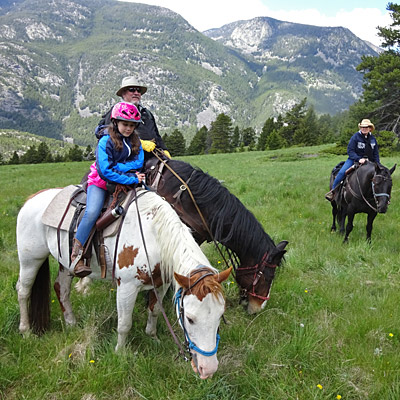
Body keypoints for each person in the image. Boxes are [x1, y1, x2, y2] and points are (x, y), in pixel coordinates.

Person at [71, 102, 145, 277]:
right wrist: (132, 177)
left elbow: (139, 162)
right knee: (92, 212)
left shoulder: (135, 141)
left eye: (132, 125)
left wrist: (117, 167)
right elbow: (105, 172)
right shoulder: (105, 141)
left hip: (124, 181)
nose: (128, 128)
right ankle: (77, 253)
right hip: (100, 183)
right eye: (125, 124)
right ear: (115, 122)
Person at [97, 76, 170, 161]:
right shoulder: (115, 112)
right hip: (131, 158)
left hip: (154, 156)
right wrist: (139, 143)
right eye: (132, 90)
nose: (136, 93)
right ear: (123, 94)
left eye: (138, 91)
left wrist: (164, 149)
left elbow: (156, 135)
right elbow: (111, 137)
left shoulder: (147, 113)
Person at [325, 118, 380, 201]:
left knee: (382, 176)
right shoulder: (355, 137)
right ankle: (333, 192)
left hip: (370, 162)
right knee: (342, 173)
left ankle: (380, 197)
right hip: (354, 160)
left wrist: (378, 164)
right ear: (360, 128)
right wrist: (359, 159)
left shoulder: (373, 139)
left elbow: (376, 153)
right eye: (362, 127)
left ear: (370, 128)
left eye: (366, 127)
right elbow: (350, 151)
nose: (364, 129)